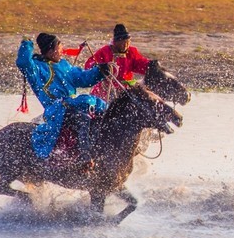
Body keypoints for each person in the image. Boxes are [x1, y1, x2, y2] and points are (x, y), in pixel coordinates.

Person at [17, 33, 111, 168]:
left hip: (75, 106)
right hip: (57, 111)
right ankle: (84, 158)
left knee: (104, 117)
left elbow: (83, 78)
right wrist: (27, 44)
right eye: (59, 48)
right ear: (50, 51)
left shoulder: (64, 65)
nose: (62, 51)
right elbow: (23, 63)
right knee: (83, 119)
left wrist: (99, 71)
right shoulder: (36, 69)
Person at [85, 23, 153, 101]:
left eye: (127, 42)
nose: (126, 45)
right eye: (123, 43)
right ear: (116, 42)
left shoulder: (131, 52)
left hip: (124, 89)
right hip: (104, 92)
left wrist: (151, 65)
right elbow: (88, 65)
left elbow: (140, 63)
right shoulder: (104, 52)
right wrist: (98, 67)